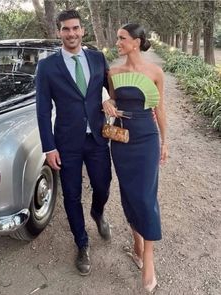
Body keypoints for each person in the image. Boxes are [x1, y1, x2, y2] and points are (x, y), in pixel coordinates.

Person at [35, 10, 112, 276]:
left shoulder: (98, 58)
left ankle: (98, 211)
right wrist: (49, 147)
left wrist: (112, 101)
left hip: (98, 138)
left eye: (75, 28)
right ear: (59, 32)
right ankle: (81, 243)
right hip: (66, 142)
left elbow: (113, 90)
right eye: (66, 29)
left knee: (103, 185)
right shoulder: (47, 67)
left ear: (83, 30)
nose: (71, 34)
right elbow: (43, 110)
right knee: (71, 195)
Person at [103, 23, 168, 292]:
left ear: (137, 41)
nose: (117, 42)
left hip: (147, 139)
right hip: (121, 142)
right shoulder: (113, 72)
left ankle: (149, 257)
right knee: (129, 194)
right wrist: (107, 102)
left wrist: (166, 142)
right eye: (117, 38)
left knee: (146, 196)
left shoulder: (155, 72)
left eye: (122, 38)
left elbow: (160, 108)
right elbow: (113, 101)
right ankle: (137, 246)